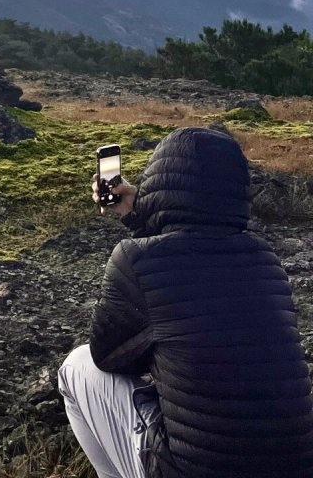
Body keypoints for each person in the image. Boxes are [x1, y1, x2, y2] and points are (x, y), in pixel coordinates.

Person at [58, 126, 313, 478]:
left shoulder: (135, 259)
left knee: (77, 366)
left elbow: (109, 357)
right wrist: (140, 215)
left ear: (157, 181)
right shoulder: (264, 257)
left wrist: (142, 219)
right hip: (295, 467)